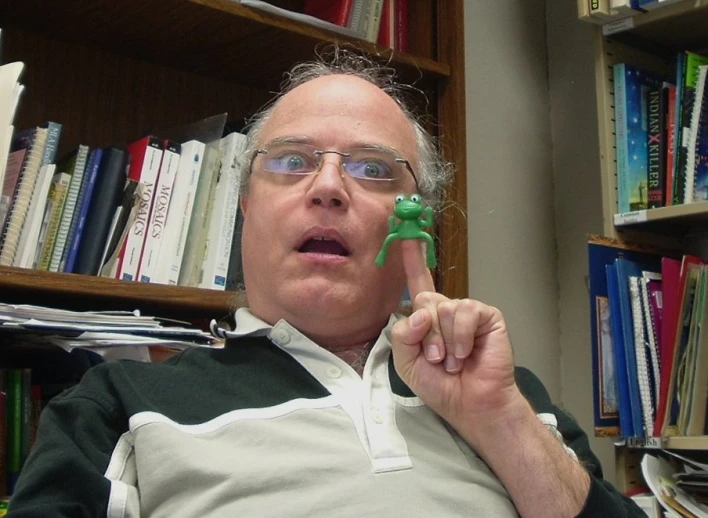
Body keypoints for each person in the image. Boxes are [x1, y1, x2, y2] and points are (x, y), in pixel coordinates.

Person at [8, 49, 644, 517]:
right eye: (292, 162)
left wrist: (499, 419)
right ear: (246, 205)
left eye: (371, 169)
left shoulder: (510, 398)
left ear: (415, 230)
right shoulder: (118, 405)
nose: (330, 187)